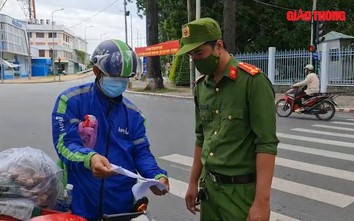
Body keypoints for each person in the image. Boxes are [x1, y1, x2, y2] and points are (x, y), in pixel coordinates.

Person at [51, 39, 169, 220]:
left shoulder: (134, 115)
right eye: (115, 78)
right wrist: (90, 159)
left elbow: (141, 153)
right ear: (97, 71)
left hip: (121, 206)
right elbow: (64, 144)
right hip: (78, 202)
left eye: (124, 80)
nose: (120, 84)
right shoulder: (71, 100)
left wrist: (156, 175)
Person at [176, 17, 278, 221]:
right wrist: (193, 182)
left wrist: (261, 202)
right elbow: (201, 137)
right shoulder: (201, 88)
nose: (196, 60)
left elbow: (266, 144)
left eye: (199, 52)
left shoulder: (252, 83)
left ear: (219, 46)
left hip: (240, 193)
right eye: (191, 55)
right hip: (210, 190)